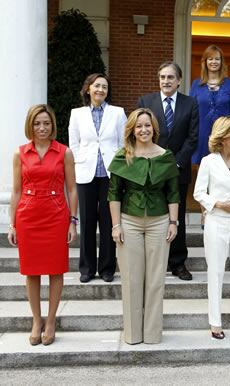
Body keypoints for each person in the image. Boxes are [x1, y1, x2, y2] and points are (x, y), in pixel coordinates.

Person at [108, 108, 180, 344]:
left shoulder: (166, 156)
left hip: (160, 222)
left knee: (156, 279)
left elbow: (173, 193)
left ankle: (152, 334)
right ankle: (132, 334)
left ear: (154, 128)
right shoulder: (123, 156)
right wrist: (116, 225)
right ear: (132, 130)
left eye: (147, 125)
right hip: (129, 221)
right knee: (131, 278)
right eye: (138, 126)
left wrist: (173, 222)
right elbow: (114, 194)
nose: (143, 130)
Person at [8, 104, 78, 346]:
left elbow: (72, 188)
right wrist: (12, 224)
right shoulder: (20, 153)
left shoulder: (64, 152)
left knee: (56, 270)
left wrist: (73, 221)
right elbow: (16, 191)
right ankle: (36, 320)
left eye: (46, 123)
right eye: (37, 123)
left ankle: (51, 320)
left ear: (53, 125)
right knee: (31, 271)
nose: (42, 128)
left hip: (56, 215)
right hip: (28, 217)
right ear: (30, 125)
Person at [138, 61, 199, 281]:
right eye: (162, 77)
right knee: (152, 215)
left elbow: (192, 138)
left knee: (177, 217)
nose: (166, 81)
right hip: (150, 170)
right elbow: (140, 134)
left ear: (179, 80)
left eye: (170, 77)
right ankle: (153, 262)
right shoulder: (146, 102)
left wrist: (175, 163)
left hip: (178, 170)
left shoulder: (190, 103)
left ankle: (177, 262)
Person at [194, 116, 230, 340]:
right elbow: (198, 193)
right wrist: (218, 204)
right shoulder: (209, 161)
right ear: (224, 137)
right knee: (216, 272)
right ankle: (215, 322)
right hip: (216, 222)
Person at [68, 73, 127, 283]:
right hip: (86, 173)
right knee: (87, 221)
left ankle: (107, 268)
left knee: (109, 220)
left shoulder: (118, 113)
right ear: (88, 89)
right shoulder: (77, 114)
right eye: (96, 86)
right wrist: (77, 167)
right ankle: (86, 268)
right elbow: (74, 145)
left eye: (104, 86)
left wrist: (121, 171)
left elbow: (123, 145)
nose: (100, 90)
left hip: (111, 174)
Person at [189, 44, 230, 165]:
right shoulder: (196, 84)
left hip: (224, 135)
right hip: (201, 134)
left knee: (223, 167)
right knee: (201, 169)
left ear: (222, 62)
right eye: (210, 59)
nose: (214, 62)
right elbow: (191, 112)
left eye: (217, 58)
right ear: (205, 62)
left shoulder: (229, 84)